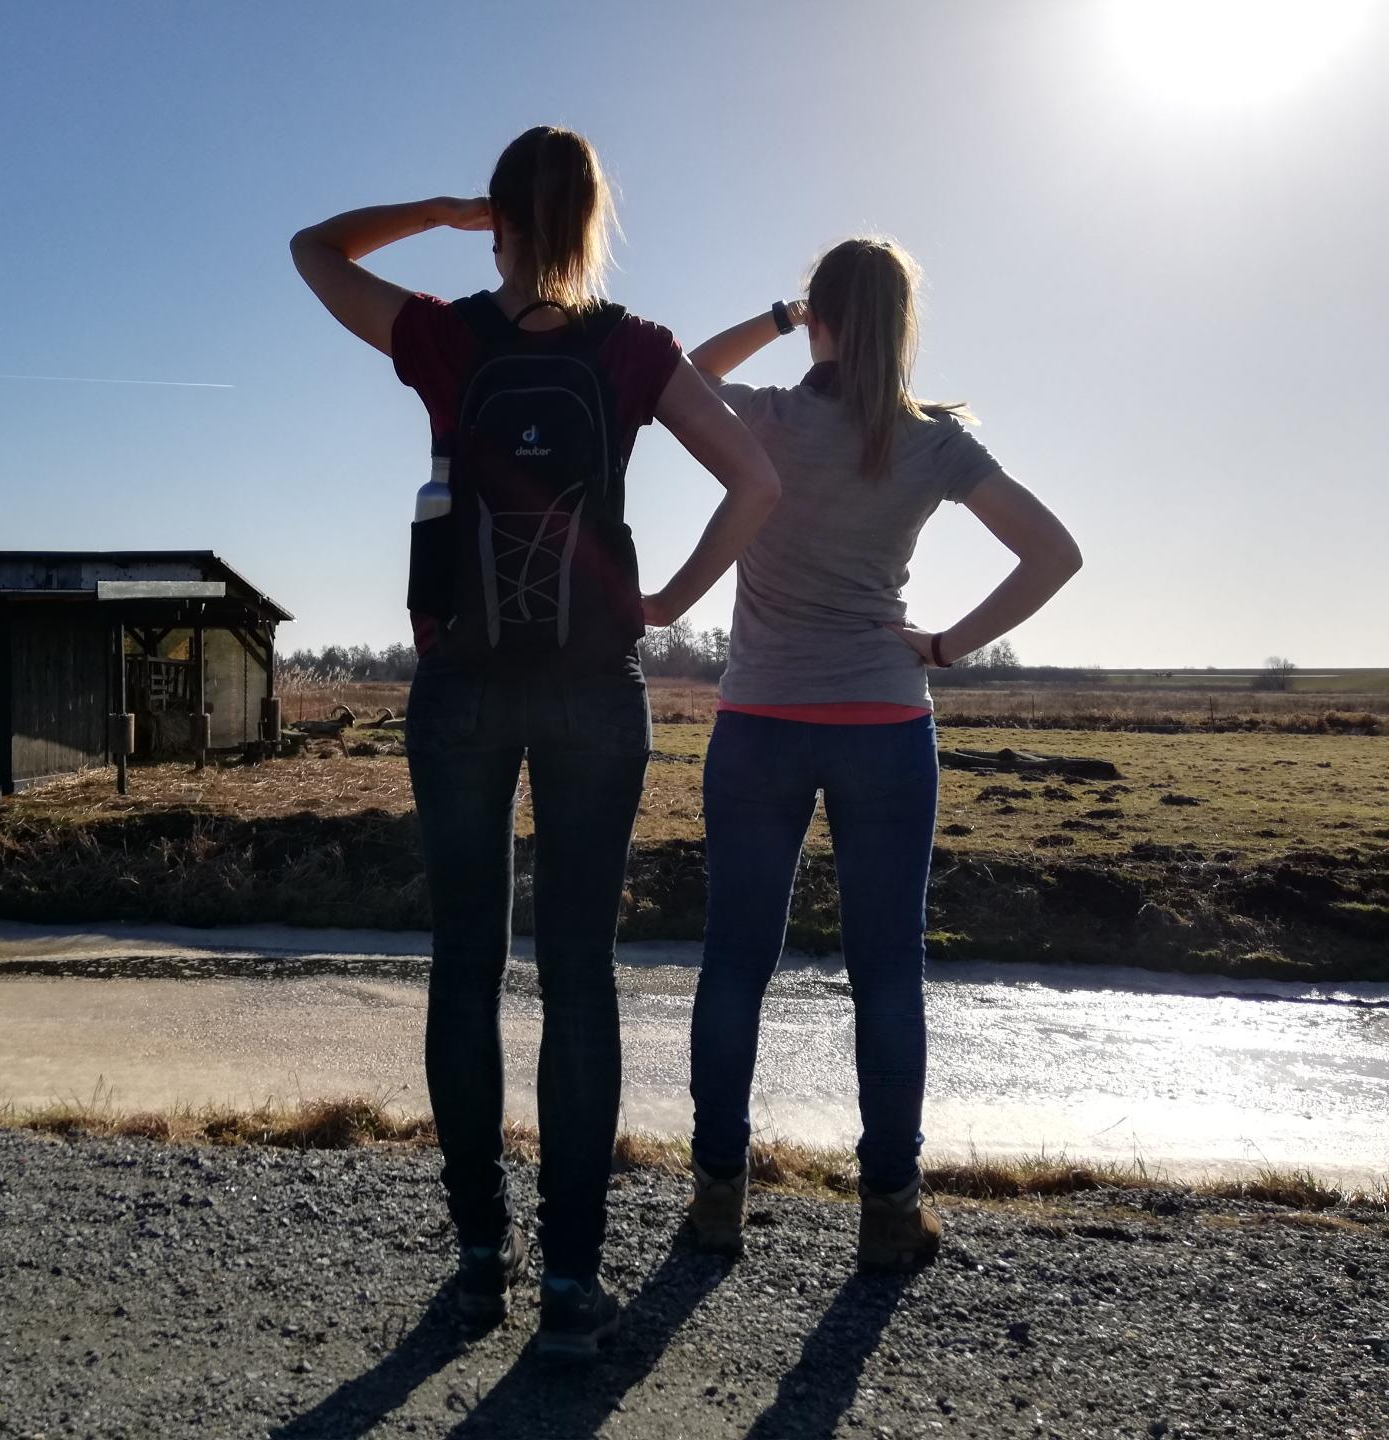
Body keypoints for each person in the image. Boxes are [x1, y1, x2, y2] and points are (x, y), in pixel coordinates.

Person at [290, 126, 780, 1356]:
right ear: (593, 220)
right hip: (594, 689)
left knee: (465, 967)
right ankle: (570, 1283)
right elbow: (757, 483)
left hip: (461, 682)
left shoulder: (444, 337)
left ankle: (476, 1265)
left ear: (500, 219)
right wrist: (665, 602)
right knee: (579, 977)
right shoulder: (636, 350)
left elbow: (312, 249)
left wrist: (440, 210)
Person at [682, 238, 1082, 1270]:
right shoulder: (932, 443)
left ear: (818, 315)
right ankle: (891, 1212)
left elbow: (682, 372)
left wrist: (780, 315)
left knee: (734, 964)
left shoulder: (766, 416)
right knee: (888, 974)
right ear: (904, 326)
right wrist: (945, 647)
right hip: (885, 726)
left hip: (760, 720)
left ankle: (718, 1199)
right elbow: (1056, 554)